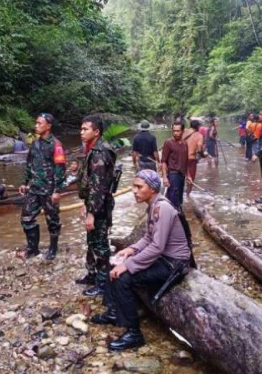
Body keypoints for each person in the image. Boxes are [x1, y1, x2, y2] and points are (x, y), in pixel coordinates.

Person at [90, 170, 192, 351]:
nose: (134, 191)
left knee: (123, 278)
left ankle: (134, 334)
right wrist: (131, 250)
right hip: (163, 257)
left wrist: (128, 265)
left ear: (152, 189)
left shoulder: (164, 208)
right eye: (134, 186)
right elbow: (148, 237)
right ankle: (114, 312)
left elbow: (157, 246)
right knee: (113, 263)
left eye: (139, 187)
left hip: (173, 263)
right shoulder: (153, 205)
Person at [77, 115, 117, 297]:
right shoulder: (93, 149)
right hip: (94, 203)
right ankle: (92, 275)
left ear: (96, 132)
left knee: (100, 244)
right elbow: (90, 182)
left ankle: (103, 284)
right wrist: (84, 204)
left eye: (85, 129)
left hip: (99, 207)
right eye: (81, 129)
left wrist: (92, 212)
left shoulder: (100, 153)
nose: (81, 132)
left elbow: (98, 187)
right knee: (92, 240)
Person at [18, 113, 67, 260]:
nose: (36, 126)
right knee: (26, 218)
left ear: (48, 126)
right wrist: (24, 182)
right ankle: (32, 249)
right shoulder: (35, 143)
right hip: (34, 188)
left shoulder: (56, 145)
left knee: (52, 220)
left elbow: (60, 168)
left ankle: (53, 249)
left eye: (40, 123)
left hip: (49, 190)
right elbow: (29, 164)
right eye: (36, 123)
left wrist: (57, 191)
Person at [161, 122, 189, 209]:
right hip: (173, 175)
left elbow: (186, 161)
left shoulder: (185, 144)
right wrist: (165, 177)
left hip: (182, 175)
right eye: (174, 131)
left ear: (183, 131)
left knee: (179, 199)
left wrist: (189, 175)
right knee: (173, 199)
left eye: (178, 131)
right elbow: (163, 161)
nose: (175, 133)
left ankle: (177, 217)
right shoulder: (168, 143)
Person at [183, 119, 205, 196]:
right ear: (198, 126)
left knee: (180, 177)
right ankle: (187, 196)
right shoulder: (199, 135)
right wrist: (203, 155)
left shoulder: (184, 131)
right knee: (190, 179)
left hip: (180, 158)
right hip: (191, 159)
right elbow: (199, 149)